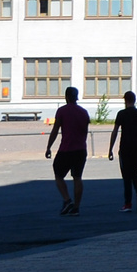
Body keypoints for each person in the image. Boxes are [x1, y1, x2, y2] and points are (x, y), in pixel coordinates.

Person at [45, 86, 89, 216]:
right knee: (77, 177)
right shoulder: (84, 112)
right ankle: (76, 207)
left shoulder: (62, 111)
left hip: (66, 149)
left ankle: (67, 199)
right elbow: (85, 132)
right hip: (81, 149)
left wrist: (48, 147)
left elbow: (55, 130)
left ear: (66, 97)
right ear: (76, 96)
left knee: (58, 174)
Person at [107, 90, 137, 212]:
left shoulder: (121, 114)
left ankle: (128, 204)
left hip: (125, 148)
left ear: (125, 101)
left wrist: (110, 149)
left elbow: (115, 131)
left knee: (126, 176)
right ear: (135, 100)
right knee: (136, 173)